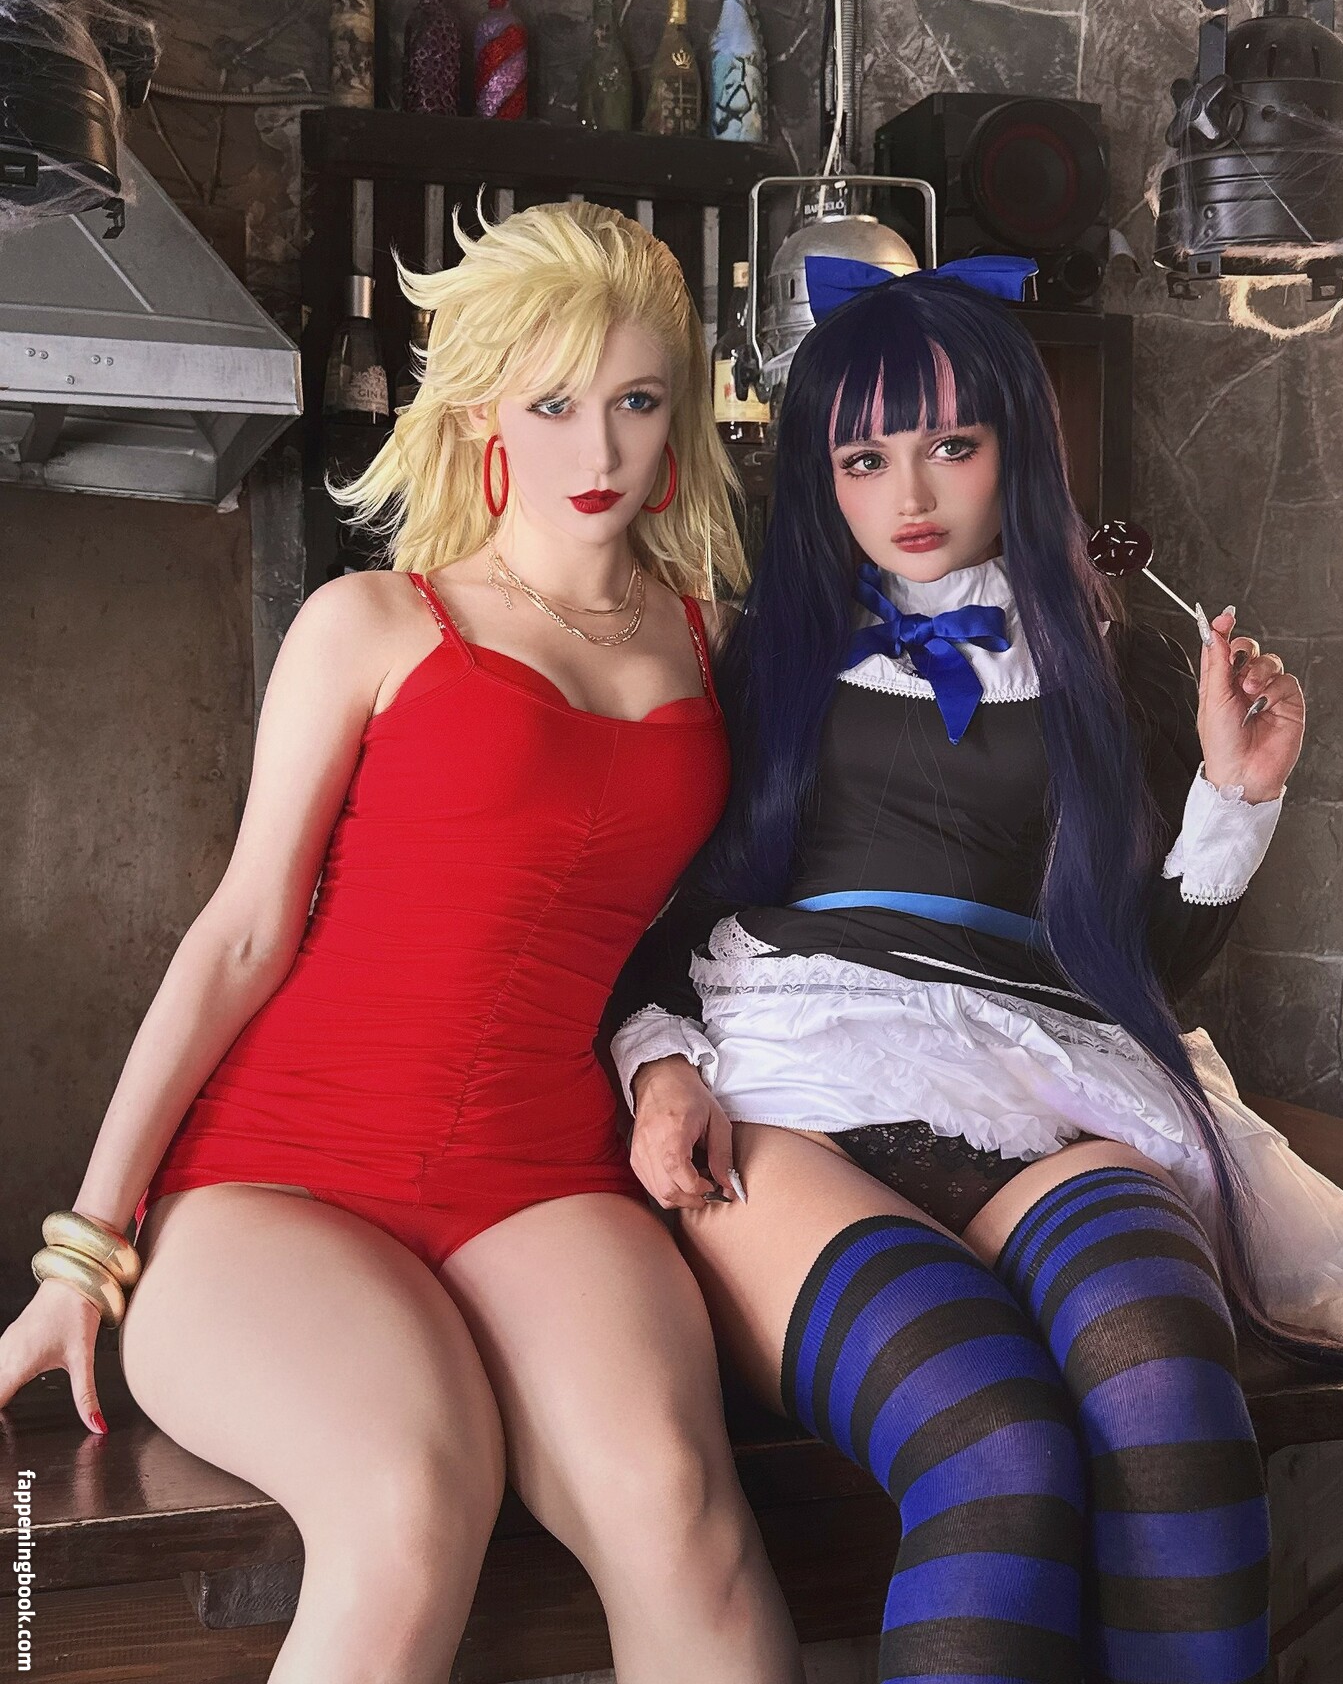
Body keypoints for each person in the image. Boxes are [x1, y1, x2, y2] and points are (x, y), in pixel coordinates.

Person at [0, 203, 804, 1684]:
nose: (599, 450)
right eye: (553, 405)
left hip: (542, 1175)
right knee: (408, 1502)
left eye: (636, 401)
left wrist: (666, 1062)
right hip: (279, 1174)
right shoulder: (372, 622)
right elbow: (242, 934)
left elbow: (726, 923)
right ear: (483, 409)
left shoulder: (716, 646)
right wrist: (84, 1249)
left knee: (679, 1513)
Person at [606, 266, 1343, 1684]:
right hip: (795, 1072)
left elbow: (1138, 966)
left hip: (1044, 1063)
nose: (911, 492)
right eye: (864, 458)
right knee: (994, 1445)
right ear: (822, 478)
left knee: (1169, 1392)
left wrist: (1237, 794)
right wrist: (657, 1058)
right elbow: (646, 907)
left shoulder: (1110, 665)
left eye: (951, 443)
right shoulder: (750, 655)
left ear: (1017, 446)